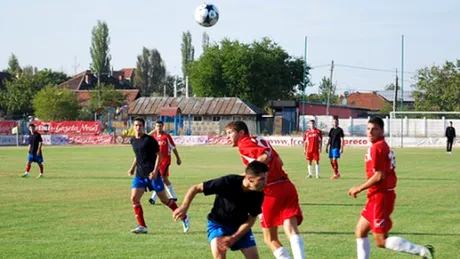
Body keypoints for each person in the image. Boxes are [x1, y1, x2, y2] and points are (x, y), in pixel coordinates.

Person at [348, 117, 435, 259]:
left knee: (380, 240)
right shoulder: (381, 145)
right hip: (377, 195)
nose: (370, 132)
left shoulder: (377, 147)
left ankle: (422, 251)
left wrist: (359, 188)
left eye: (374, 129)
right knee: (360, 231)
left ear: (382, 130)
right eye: (368, 129)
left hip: (380, 197)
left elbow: (379, 176)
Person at [225, 121, 305, 259]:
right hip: (286, 185)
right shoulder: (259, 139)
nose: (227, 137)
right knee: (291, 228)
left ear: (241, 133)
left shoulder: (244, 143)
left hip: (270, 191)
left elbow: (264, 157)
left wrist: (247, 177)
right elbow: (279, 161)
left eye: (230, 133)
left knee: (270, 238)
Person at [173, 161, 268, 259]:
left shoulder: (258, 194)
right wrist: (184, 207)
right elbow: (195, 188)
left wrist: (234, 237)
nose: (265, 183)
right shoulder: (228, 182)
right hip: (218, 225)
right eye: (262, 179)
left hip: (240, 227)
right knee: (219, 256)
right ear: (250, 178)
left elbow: (251, 220)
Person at [128, 117, 190, 234]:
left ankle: (184, 217)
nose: (138, 127)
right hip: (140, 175)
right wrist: (132, 168)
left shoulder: (149, 140)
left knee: (164, 200)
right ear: (133, 126)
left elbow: (159, 155)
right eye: (136, 125)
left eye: (140, 125)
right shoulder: (133, 140)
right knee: (134, 198)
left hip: (153, 175)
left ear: (144, 127)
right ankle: (142, 226)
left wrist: (155, 171)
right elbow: (138, 156)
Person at [148, 120, 182, 204]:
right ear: (155, 127)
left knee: (161, 178)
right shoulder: (154, 136)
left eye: (160, 126)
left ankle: (153, 198)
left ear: (163, 127)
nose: (158, 127)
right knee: (165, 179)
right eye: (157, 126)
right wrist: (154, 131)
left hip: (165, 161)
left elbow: (173, 148)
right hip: (157, 161)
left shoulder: (166, 136)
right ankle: (173, 197)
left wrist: (178, 158)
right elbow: (146, 137)